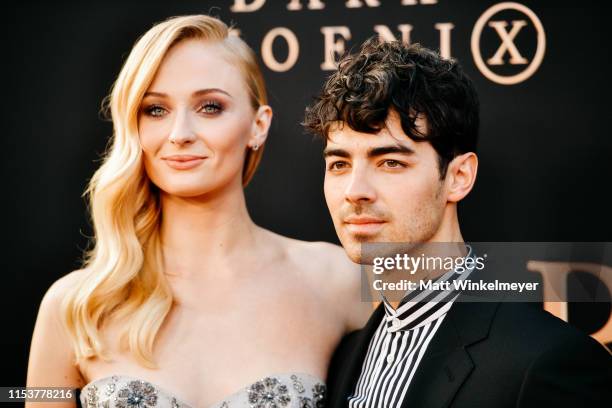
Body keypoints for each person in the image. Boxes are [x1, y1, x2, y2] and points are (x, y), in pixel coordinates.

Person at [26, 14, 371, 408]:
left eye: (210, 107)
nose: (180, 134)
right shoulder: (72, 306)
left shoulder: (337, 279)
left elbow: (446, 306)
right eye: (155, 110)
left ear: (259, 126)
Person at [303, 37, 612, 407]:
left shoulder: (545, 360)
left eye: (390, 162)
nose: (355, 191)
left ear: (459, 176)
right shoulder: (343, 357)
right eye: (339, 164)